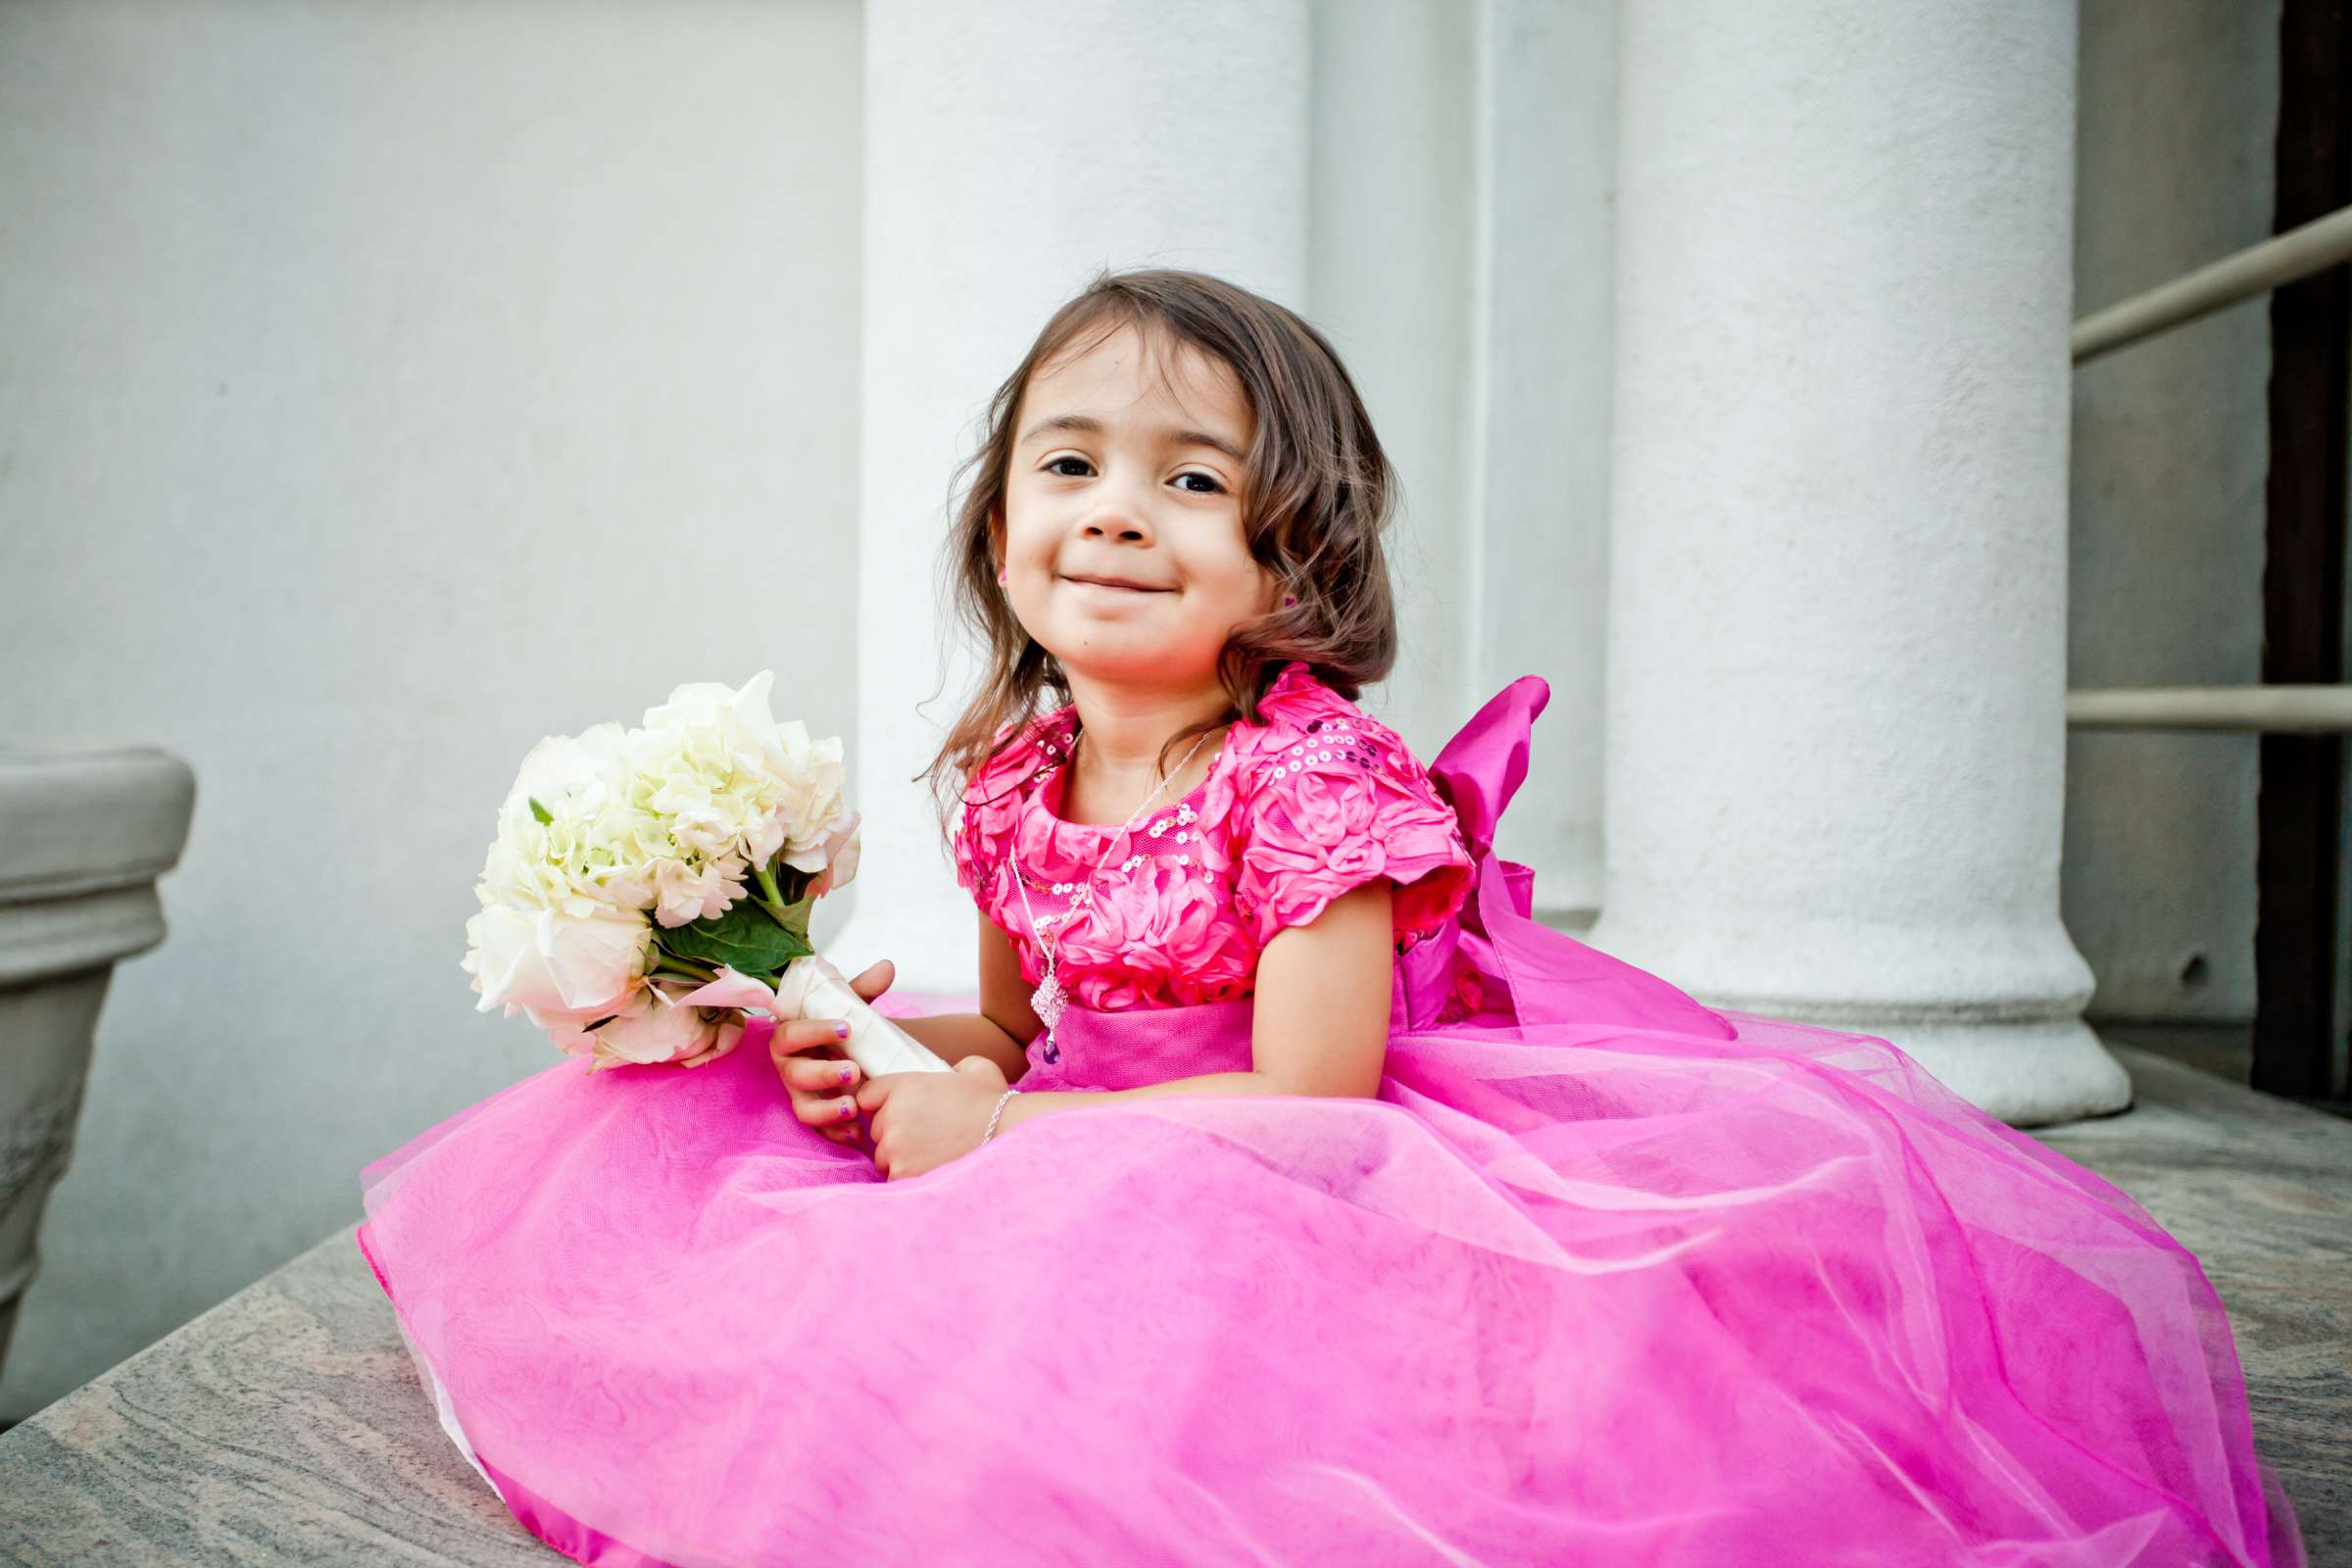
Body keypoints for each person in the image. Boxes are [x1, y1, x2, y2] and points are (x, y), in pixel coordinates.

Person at [357, 268, 2304, 1567]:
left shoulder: (1310, 785)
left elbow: (1319, 1107)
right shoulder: (1017, 780)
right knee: (694, 1148)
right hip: (1096, 1139)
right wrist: (887, 1050)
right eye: (1072, 464)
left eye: (1191, 479)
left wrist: (1006, 1135)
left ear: (1296, 549)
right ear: (999, 526)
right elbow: (1029, 1045)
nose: (1118, 510)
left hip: (1295, 1175)